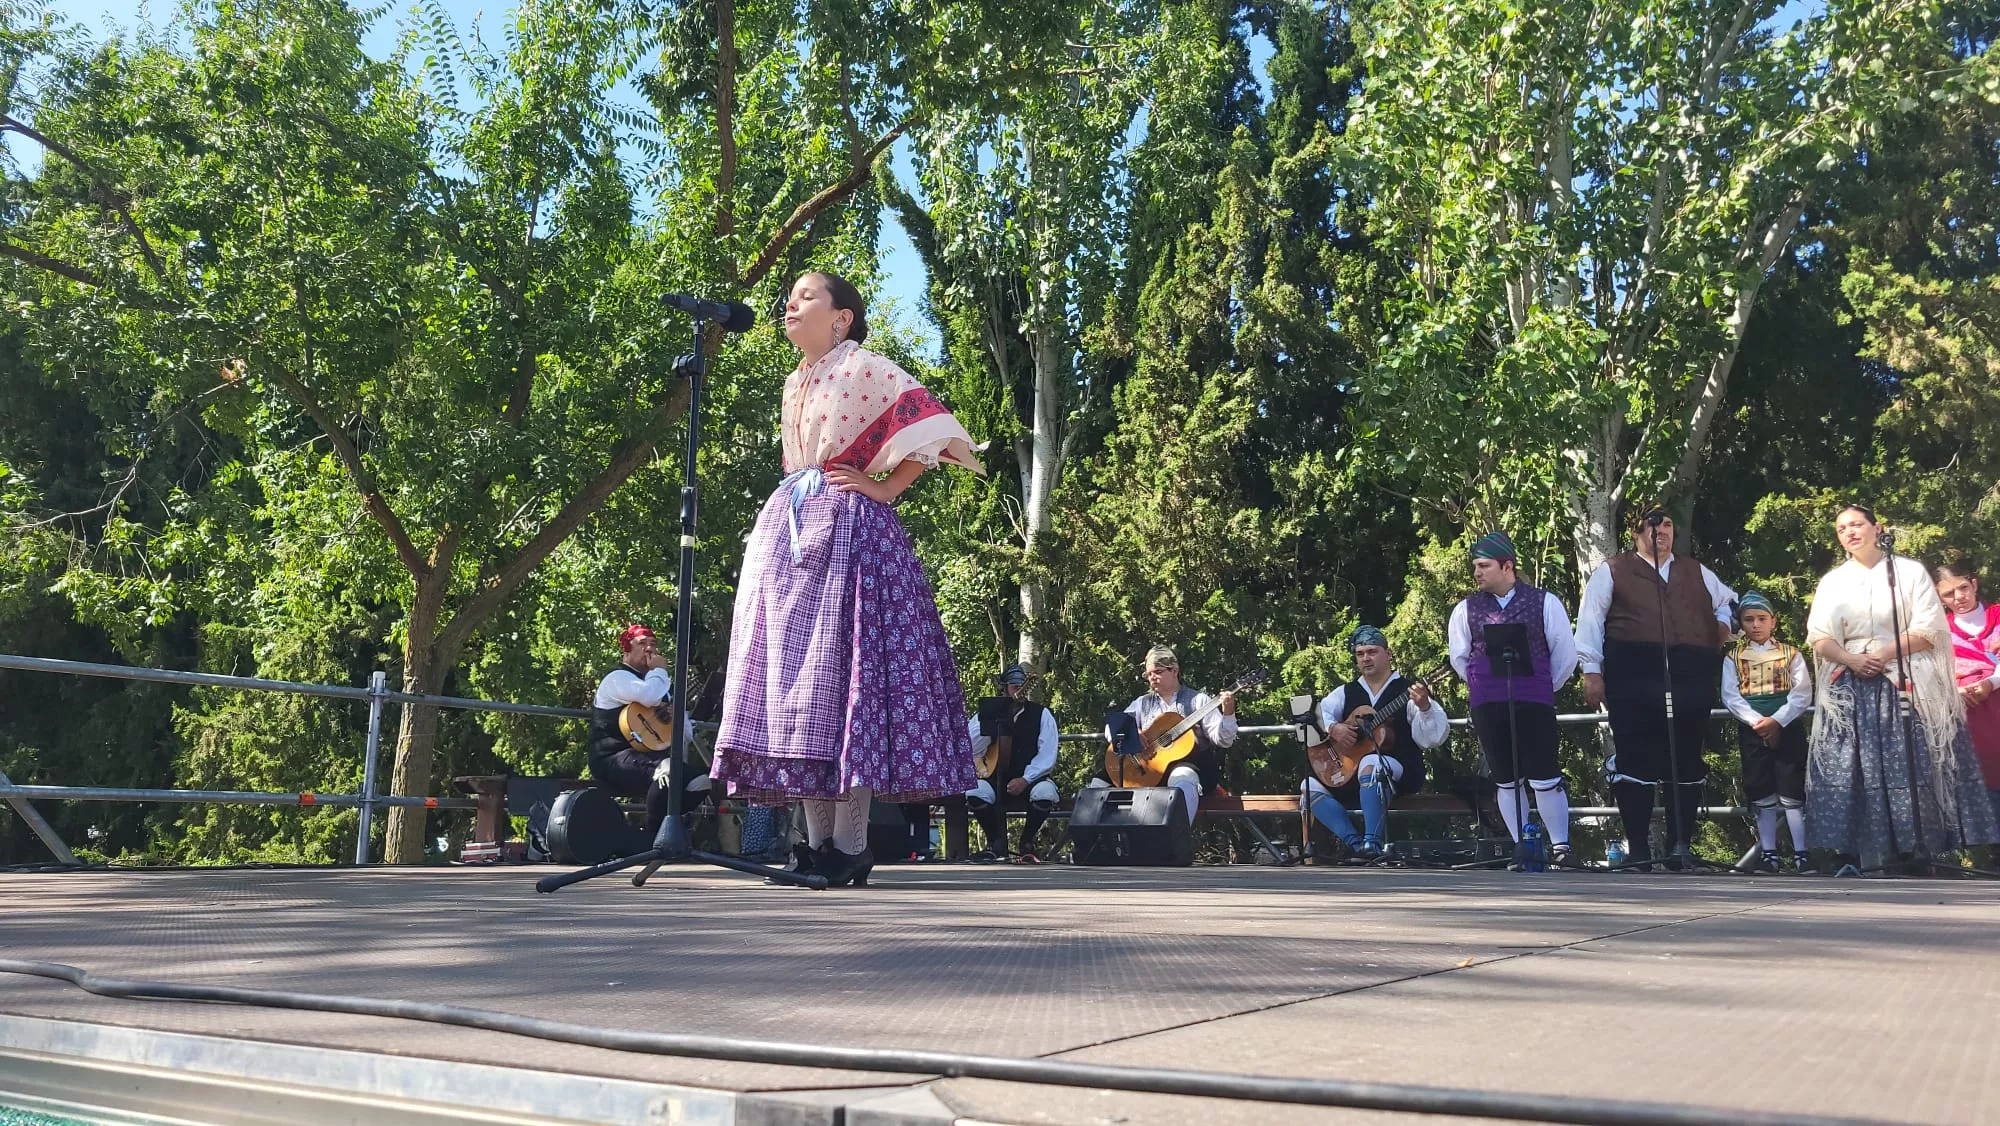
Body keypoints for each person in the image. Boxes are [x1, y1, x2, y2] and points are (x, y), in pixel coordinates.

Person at [710, 272, 985, 889]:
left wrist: (886, 487)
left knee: (842, 679)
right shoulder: (792, 381)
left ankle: (850, 844)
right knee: (797, 691)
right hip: (791, 531)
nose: (791, 305)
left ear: (842, 317)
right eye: (790, 298)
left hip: (847, 535)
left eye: (808, 297)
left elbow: (934, 428)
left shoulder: (864, 367)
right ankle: (812, 845)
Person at [1805, 506, 1998, 871]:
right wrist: (1851, 658)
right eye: (1842, 528)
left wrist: (1882, 653)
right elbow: (1819, 635)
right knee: (1847, 766)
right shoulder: (1833, 581)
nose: (1850, 532)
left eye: (1857, 524)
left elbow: (1929, 627)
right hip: (1850, 680)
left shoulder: (1908, 572)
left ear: (1877, 528)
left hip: (1906, 677)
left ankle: (1917, 852)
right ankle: (1848, 855)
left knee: (1913, 763)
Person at [1576, 505, 1736, 871]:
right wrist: (1591, 671)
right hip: (1631, 672)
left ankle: (1679, 847)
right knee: (1635, 758)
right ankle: (1638, 852)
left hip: (1689, 673)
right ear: (1636, 533)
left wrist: (1720, 630)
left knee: (1686, 757)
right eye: (1652, 525)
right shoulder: (1613, 570)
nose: (1660, 530)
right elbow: (1590, 621)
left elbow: (1729, 601)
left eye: (1666, 525)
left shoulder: (1696, 571)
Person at [1448, 531, 1581, 868]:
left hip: (1534, 700)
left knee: (1544, 774)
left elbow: (1565, 654)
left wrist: (1542, 687)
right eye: (1475, 566)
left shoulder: (1544, 602)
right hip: (1489, 704)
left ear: (1507, 566)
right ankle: (1524, 845)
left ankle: (1561, 847)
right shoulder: (1466, 609)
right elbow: (1459, 657)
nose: (1476, 572)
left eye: (1483, 565)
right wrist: (1483, 684)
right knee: (1505, 777)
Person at [1301, 626, 1448, 862]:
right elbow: (1317, 715)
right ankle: (1355, 845)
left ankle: (1373, 843)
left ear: (1387, 654)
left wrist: (1425, 707)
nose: (1366, 658)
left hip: (1401, 769)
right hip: (1351, 771)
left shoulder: (1407, 691)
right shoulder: (1346, 692)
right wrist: (1334, 728)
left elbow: (1432, 737)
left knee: (1371, 761)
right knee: (1308, 786)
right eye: (1360, 654)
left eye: (1372, 651)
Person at [1720, 592, 1815, 874]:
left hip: (1787, 726)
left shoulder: (1791, 654)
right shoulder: (1733, 657)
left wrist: (1778, 720)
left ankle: (1802, 853)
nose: (1756, 625)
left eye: (1762, 618)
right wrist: (1757, 722)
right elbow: (1730, 694)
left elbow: (1802, 693)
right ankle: (1769, 854)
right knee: (1760, 789)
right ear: (1741, 623)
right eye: (1749, 620)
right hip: (1752, 729)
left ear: (1773, 621)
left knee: (1793, 790)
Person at [1088, 646, 1238, 820]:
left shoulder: (1199, 701)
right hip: (1146, 771)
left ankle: (1174, 836)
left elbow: (1224, 740)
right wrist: (1132, 733)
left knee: (1182, 777)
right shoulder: (1142, 703)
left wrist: (1228, 712)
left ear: (1174, 670)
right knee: (1097, 784)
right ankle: (1096, 841)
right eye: (1148, 674)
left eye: (1157, 672)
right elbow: (1111, 729)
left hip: (1189, 766)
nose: (1152, 678)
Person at [588, 624, 707, 835]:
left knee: (700, 782)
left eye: (653, 644)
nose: (650, 649)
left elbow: (685, 736)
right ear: (626, 651)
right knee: (667, 771)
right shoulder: (617, 678)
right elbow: (649, 695)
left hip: (651, 757)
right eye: (642, 644)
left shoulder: (660, 687)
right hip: (612, 758)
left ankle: (666, 829)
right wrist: (660, 670)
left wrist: (676, 718)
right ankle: (652, 837)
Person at [963, 665, 1062, 862]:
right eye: (1014, 686)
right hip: (993, 776)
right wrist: (993, 724)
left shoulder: (1041, 714)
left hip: (1028, 777)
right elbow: (970, 748)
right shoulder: (987, 713)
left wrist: (1026, 779)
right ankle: (995, 843)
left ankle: (1027, 842)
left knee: (1045, 793)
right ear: (1004, 688)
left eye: (1022, 686)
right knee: (974, 792)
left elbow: (1047, 754)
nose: (1018, 690)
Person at [1937, 559, 2000, 829]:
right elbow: (1935, 673)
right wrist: (1956, 690)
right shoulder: (1940, 632)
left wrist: (1992, 682)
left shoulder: (1998, 616)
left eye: (1962, 588)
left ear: (1974, 584)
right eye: (1948, 594)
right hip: (1971, 716)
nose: (1958, 597)